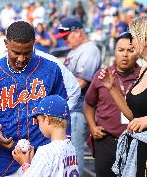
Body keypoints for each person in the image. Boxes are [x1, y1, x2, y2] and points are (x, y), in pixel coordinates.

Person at [0, 21, 68, 176]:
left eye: (27, 52)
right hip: (4, 160)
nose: (21, 59)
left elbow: (62, 110)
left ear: (34, 44)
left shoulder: (51, 69)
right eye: (16, 52)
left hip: (43, 158)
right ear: (6, 44)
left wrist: (63, 145)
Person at [84, 32, 140, 177]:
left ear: (138, 52)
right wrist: (92, 126)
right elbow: (89, 103)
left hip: (134, 141)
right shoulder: (102, 75)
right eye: (120, 50)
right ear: (114, 52)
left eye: (130, 50)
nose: (125, 55)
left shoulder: (143, 77)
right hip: (106, 140)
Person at [98, 16, 147, 176]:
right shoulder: (143, 70)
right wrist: (112, 88)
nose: (131, 43)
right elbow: (133, 116)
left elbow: (142, 120)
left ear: (144, 38)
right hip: (138, 150)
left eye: (133, 37)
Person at [55, 17, 102, 175]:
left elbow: (81, 82)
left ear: (78, 32)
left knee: (74, 152)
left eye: (66, 36)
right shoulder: (75, 50)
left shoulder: (89, 49)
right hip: (71, 108)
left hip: (79, 109)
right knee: (69, 151)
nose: (65, 41)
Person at [12, 95, 79, 176]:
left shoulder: (45, 152)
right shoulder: (71, 147)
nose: (38, 124)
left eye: (39, 120)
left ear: (47, 119)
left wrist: (25, 164)